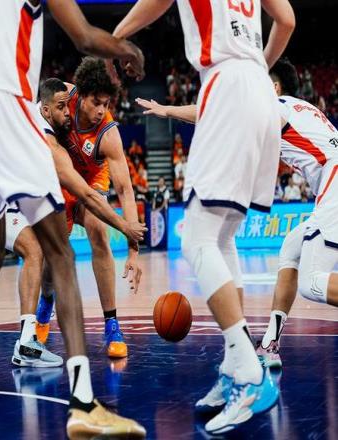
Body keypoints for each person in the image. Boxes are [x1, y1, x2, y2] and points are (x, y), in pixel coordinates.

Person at [0, 0, 146, 437]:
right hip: (6, 102)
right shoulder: (55, 106)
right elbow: (83, 36)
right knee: (60, 253)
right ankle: (83, 403)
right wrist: (127, 49)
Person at [114, 0, 295, 434]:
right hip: (260, 90)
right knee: (223, 235)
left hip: (227, 84)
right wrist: (257, 67)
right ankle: (235, 365)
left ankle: (249, 373)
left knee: (196, 238)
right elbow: (287, 20)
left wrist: (115, 38)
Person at [0, 78, 146, 369]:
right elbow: (85, 194)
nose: (68, 112)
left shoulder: (66, 112)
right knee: (36, 250)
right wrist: (125, 227)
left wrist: (132, 248)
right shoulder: (50, 138)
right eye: (61, 108)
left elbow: (118, 189)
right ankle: (25, 341)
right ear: (50, 108)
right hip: (4, 197)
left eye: (105, 104)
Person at [37, 58, 143, 359]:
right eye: (96, 102)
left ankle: (112, 324)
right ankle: (46, 302)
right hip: (60, 176)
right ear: (80, 95)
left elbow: (125, 190)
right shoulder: (61, 98)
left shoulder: (108, 134)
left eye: (106, 104)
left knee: (99, 231)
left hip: (91, 180)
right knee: (54, 246)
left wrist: (133, 250)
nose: (100, 110)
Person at [255, 59, 338, 367]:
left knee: (311, 282)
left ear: (274, 87)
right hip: (332, 182)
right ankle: (270, 343)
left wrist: (171, 112)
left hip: (335, 181)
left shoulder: (277, 106)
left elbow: (221, 116)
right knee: (291, 246)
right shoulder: (304, 108)